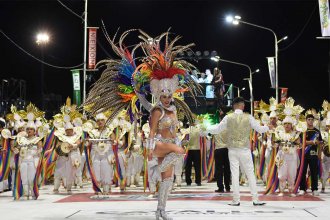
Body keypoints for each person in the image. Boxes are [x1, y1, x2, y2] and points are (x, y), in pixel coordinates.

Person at [204, 97, 271, 206]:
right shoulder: (248, 117)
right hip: (244, 149)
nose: (244, 106)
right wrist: (268, 127)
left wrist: (206, 128)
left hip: (232, 150)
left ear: (234, 106)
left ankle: (236, 200)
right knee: (250, 173)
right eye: (243, 104)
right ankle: (255, 199)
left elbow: (217, 129)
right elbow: (260, 129)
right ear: (241, 105)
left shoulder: (228, 117)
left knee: (234, 174)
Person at [274, 115, 301, 197]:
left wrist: (297, 142)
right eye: (285, 123)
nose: (287, 125)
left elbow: (299, 144)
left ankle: (291, 190)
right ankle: (281, 190)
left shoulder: (295, 134)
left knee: (292, 174)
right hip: (282, 156)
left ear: (291, 125)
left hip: (292, 156)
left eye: (289, 123)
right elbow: (275, 144)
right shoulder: (279, 134)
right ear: (283, 125)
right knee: (282, 174)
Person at [299, 113, 322, 196]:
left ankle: (314, 189)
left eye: (312, 119)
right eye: (309, 119)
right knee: (303, 171)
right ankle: (302, 188)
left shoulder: (317, 131)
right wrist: (312, 142)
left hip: (314, 154)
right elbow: (301, 142)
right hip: (304, 154)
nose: (310, 121)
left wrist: (319, 154)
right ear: (306, 120)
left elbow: (320, 143)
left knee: (314, 172)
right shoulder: (303, 131)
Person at [184, 122, 202, 187]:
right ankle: (198, 181)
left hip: (189, 150)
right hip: (197, 149)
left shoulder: (187, 130)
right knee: (197, 166)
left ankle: (188, 181)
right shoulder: (198, 129)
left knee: (188, 167)